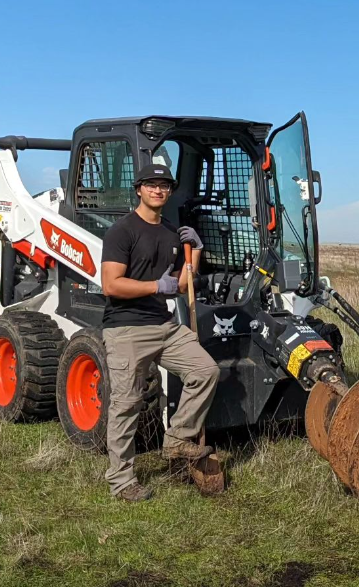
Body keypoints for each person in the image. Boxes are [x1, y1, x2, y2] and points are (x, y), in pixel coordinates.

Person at [101, 162, 221, 501]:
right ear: (139, 189)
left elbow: (182, 286)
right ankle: (122, 482)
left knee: (205, 370)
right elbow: (111, 285)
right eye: (151, 184)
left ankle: (177, 439)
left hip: (164, 326)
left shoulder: (172, 232)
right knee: (127, 404)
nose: (158, 190)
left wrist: (194, 252)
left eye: (164, 185)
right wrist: (156, 285)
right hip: (126, 329)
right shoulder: (121, 231)